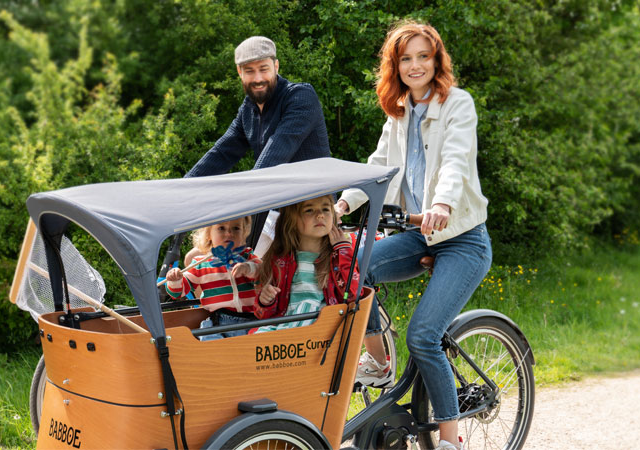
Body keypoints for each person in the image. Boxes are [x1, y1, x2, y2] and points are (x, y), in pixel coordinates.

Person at [335, 21, 492, 450]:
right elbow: (378, 167)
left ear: (437, 60)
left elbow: (457, 161)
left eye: (424, 56)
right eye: (406, 58)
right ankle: (382, 364)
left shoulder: (458, 104)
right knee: (351, 267)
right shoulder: (399, 111)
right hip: (420, 236)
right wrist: (342, 206)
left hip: (461, 238)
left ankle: (449, 440)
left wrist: (441, 205)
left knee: (423, 336)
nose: (415, 65)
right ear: (396, 65)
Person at [185, 36, 331, 255]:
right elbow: (221, 153)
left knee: (245, 263)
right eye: (250, 71)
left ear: (276, 66)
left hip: (309, 213)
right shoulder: (248, 110)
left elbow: (272, 159)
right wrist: (180, 189)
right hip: (273, 211)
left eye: (264, 69)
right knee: (197, 258)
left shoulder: (300, 98)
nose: (258, 78)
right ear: (239, 73)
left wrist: (238, 201)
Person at [251, 195, 359, 333]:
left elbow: (353, 294)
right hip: (285, 329)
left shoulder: (337, 257)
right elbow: (265, 314)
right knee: (255, 339)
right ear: (292, 220)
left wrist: (343, 250)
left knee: (307, 305)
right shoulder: (279, 261)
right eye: (309, 210)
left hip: (323, 331)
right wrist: (265, 301)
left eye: (326, 209)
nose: (320, 215)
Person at [165, 217, 261, 341]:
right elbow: (179, 291)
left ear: (243, 234)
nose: (229, 233)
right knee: (206, 335)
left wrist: (249, 268)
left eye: (236, 228)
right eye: (221, 228)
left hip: (252, 321)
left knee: (266, 335)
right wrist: (175, 280)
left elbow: (265, 273)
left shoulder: (248, 257)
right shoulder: (201, 264)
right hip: (220, 322)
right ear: (208, 235)